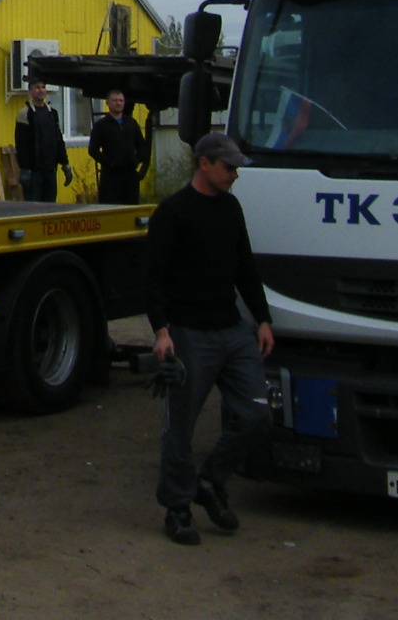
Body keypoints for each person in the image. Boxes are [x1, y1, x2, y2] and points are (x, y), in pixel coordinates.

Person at [145, 132, 274, 546]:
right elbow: (153, 279)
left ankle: (211, 481)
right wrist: (161, 332)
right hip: (188, 334)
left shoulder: (231, 209)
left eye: (236, 168)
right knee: (179, 428)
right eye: (229, 167)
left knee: (257, 414)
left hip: (232, 330)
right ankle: (178, 508)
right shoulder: (173, 213)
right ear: (204, 164)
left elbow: (245, 268)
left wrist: (263, 320)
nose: (234, 174)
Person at [14, 76, 73, 202]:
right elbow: (21, 143)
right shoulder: (25, 114)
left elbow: (58, 140)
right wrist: (24, 168)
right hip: (34, 172)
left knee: (50, 207)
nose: (41, 90)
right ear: (30, 92)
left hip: (50, 170)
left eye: (43, 87)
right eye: (37, 88)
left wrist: (65, 164)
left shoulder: (52, 113)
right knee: (34, 209)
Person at [87, 90, 144, 204]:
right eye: (115, 100)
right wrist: (109, 163)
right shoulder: (101, 125)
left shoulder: (131, 123)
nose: (118, 103)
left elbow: (142, 145)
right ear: (108, 103)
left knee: (130, 210)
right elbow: (93, 150)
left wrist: (136, 161)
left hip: (130, 175)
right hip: (111, 177)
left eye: (121, 100)